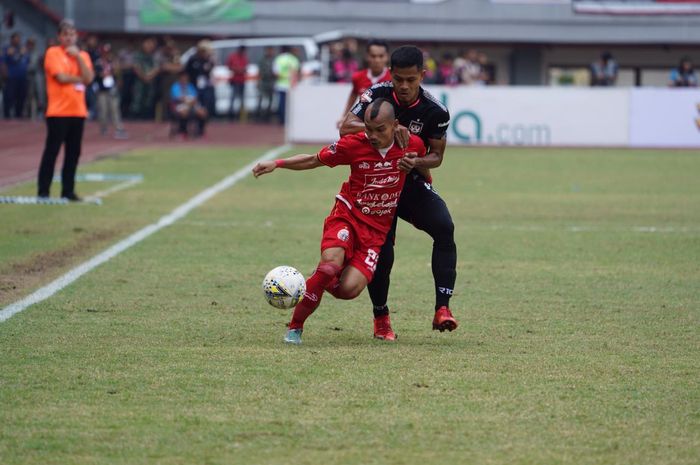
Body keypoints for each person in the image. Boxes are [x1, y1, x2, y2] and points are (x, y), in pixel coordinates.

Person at [253, 99, 426, 344]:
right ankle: (295, 327)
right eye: (368, 128)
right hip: (347, 216)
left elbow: (424, 166)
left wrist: (426, 190)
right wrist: (278, 164)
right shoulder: (354, 145)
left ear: (395, 125)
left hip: (376, 232)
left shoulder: (412, 144)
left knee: (348, 290)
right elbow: (314, 159)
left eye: (380, 130)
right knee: (330, 265)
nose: (373, 135)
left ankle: (317, 280)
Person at [339, 45, 458, 341]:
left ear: (422, 75)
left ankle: (443, 309)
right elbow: (346, 127)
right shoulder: (375, 93)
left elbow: (437, 156)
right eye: (399, 79)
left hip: (410, 183)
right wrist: (392, 128)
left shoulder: (436, 110)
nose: (404, 86)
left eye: (411, 80)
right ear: (391, 74)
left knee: (444, 227)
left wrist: (416, 161)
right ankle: (381, 318)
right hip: (377, 185)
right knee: (384, 251)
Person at [36, 20, 94, 201]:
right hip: (58, 111)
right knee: (52, 151)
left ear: (76, 36)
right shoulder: (53, 53)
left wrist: (77, 58)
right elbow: (60, 77)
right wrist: (80, 78)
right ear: (59, 37)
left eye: (72, 34)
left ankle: (68, 191)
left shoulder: (83, 55)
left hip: (78, 111)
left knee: (73, 153)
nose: (69, 38)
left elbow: (89, 78)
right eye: (65, 35)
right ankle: (43, 191)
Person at [337, 39, 390, 128]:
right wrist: (344, 116)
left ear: (387, 57)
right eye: (373, 56)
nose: (377, 60)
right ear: (367, 57)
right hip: (364, 124)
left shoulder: (394, 78)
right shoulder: (358, 77)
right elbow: (353, 95)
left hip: (386, 125)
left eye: (381, 56)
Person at [94, 43, 127, 139]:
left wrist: (115, 70)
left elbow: (118, 75)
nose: (107, 55)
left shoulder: (113, 63)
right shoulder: (98, 63)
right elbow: (98, 75)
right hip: (102, 90)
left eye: (108, 53)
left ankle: (119, 129)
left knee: (115, 109)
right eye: (105, 53)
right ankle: (103, 128)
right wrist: (104, 72)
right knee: (103, 111)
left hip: (112, 89)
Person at [170, 70, 207, 138]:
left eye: (186, 77)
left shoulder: (190, 86)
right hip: (180, 105)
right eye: (183, 77)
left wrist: (191, 101)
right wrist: (186, 101)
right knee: (184, 112)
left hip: (191, 104)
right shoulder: (175, 86)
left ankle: (200, 132)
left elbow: (195, 97)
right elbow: (177, 98)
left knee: (203, 112)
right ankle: (183, 131)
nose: (185, 79)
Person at [185, 40, 216, 117]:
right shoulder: (193, 59)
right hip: (194, 84)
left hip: (205, 86)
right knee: (195, 103)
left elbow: (209, 70)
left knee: (206, 102)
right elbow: (187, 72)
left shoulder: (207, 60)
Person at [2, 32, 29, 118]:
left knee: (21, 96)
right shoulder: (7, 49)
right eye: (15, 39)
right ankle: (7, 115)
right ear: (12, 39)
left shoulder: (23, 49)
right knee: (9, 97)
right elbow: (6, 61)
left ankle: (19, 114)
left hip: (23, 77)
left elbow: (27, 60)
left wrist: (22, 53)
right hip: (11, 77)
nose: (17, 40)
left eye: (18, 39)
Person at [272, 45, 299, 125]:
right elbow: (296, 73)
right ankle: (290, 121)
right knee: (291, 104)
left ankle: (282, 120)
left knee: (281, 104)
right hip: (291, 85)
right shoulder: (294, 59)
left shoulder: (279, 59)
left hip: (281, 84)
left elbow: (275, 73)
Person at [227, 45, 248, 120]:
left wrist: (241, 70)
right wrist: (237, 70)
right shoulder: (233, 56)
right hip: (234, 80)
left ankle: (241, 116)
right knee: (233, 97)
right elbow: (229, 66)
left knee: (242, 98)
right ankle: (231, 115)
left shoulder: (244, 57)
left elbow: (246, 68)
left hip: (242, 80)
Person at [256, 46, 276, 122]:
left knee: (270, 99)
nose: (271, 52)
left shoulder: (274, 60)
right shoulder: (262, 60)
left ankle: (267, 115)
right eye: (269, 50)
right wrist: (258, 81)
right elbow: (259, 72)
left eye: (272, 50)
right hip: (263, 81)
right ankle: (258, 115)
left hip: (271, 81)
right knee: (261, 99)